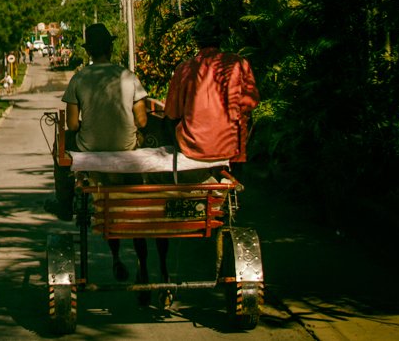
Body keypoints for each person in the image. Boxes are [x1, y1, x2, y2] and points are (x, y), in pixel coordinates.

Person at [55, 23, 162, 297]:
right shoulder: (128, 76)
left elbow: (72, 125)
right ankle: (143, 263)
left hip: (92, 153)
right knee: (132, 206)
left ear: (89, 51)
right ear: (111, 48)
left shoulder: (79, 78)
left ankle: (63, 202)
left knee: (59, 145)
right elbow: (142, 120)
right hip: (126, 152)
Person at [165, 15, 260, 173]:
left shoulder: (184, 68)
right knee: (246, 118)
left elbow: (172, 113)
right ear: (221, 39)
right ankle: (238, 168)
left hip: (192, 148)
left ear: (197, 41)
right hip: (231, 147)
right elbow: (250, 103)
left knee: (168, 123)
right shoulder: (239, 64)